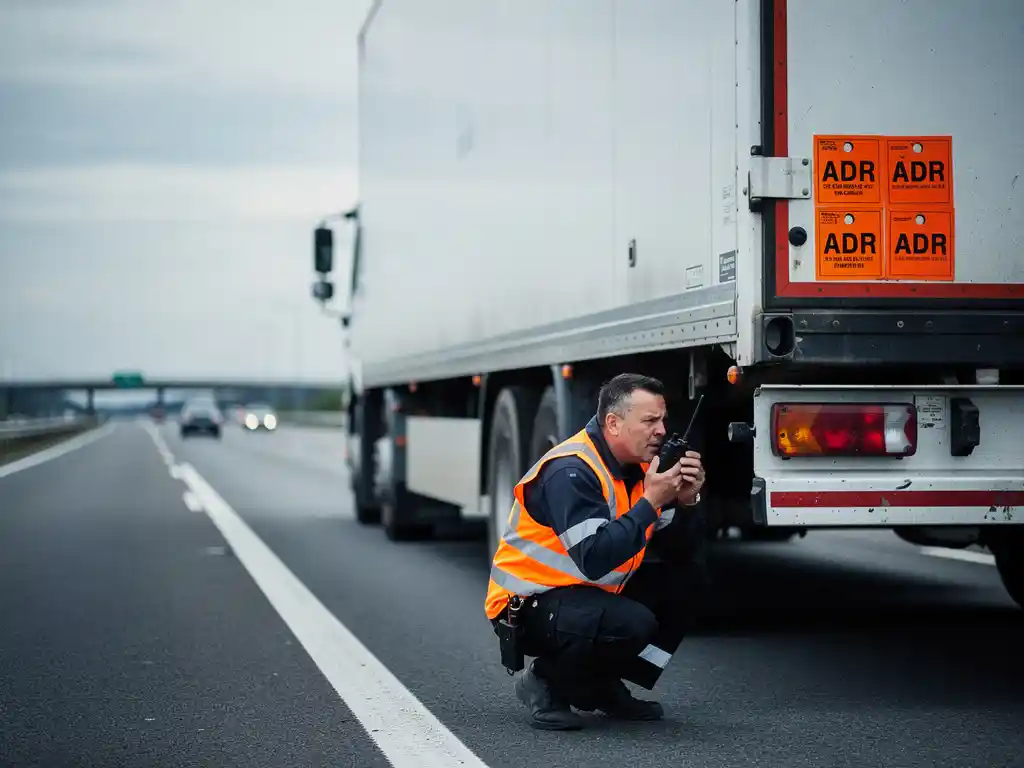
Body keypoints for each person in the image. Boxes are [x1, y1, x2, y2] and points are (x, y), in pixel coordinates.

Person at [484, 373, 709, 730]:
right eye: (650, 421)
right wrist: (651, 502)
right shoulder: (571, 470)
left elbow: (678, 549)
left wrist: (686, 500)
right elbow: (593, 558)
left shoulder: (639, 469)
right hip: (528, 606)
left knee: (687, 581)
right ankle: (545, 680)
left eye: (663, 420)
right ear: (613, 423)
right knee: (631, 623)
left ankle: (599, 683)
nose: (662, 430)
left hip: (588, 594)